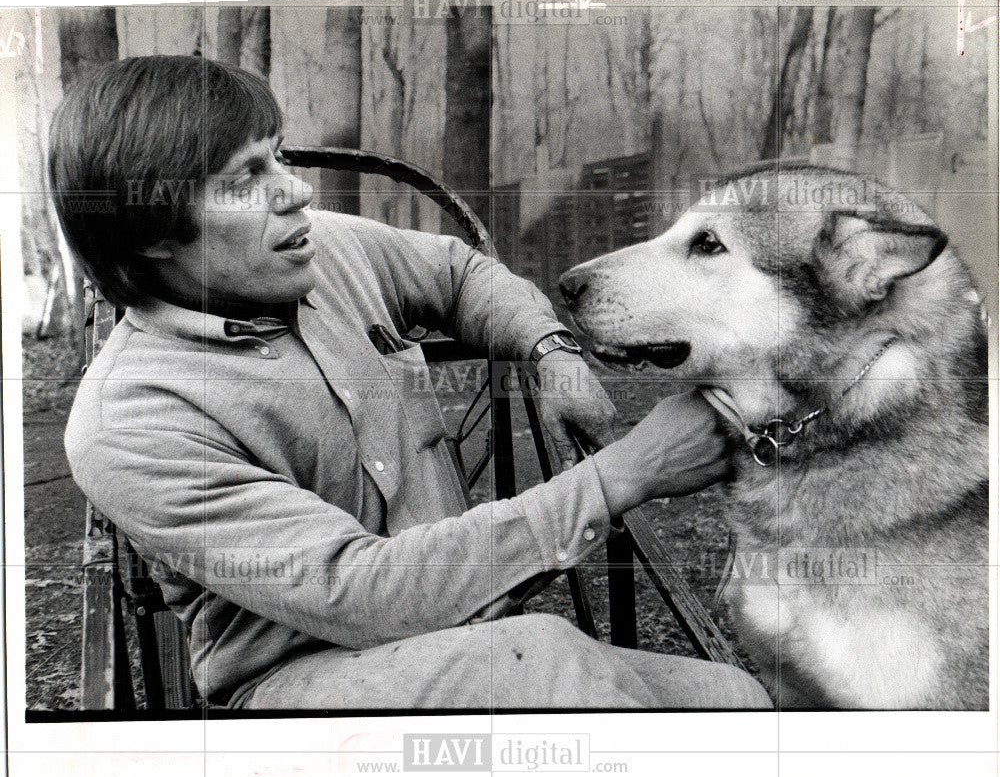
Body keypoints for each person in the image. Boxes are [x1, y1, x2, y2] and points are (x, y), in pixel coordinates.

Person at [53, 55, 770, 710]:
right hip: (305, 686)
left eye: (280, 158)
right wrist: (625, 474)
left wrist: (550, 350)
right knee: (544, 668)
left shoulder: (321, 251)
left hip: (480, 631)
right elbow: (363, 590)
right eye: (245, 180)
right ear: (151, 232)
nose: (296, 191)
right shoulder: (132, 420)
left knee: (734, 700)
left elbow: (460, 273)